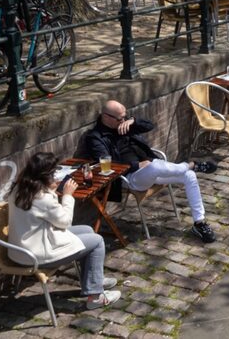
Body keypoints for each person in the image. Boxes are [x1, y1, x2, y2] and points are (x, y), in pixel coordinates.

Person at [82, 101, 219, 243]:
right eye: (119, 118)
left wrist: (132, 121)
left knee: (189, 176)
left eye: (125, 116)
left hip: (150, 170)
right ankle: (191, 164)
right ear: (106, 116)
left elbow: (150, 125)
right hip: (129, 178)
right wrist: (137, 165)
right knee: (155, 166)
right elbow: (108, 164)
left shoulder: (124, 124)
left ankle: (199, 223)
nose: (123, 120)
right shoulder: (95, 137)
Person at [6, 152, 121, 310]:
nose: (56, 176)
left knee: (87, 229)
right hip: (35, 254)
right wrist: (67, 196)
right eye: (53, 173)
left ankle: (94, 280)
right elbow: (65, 222)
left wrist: (51, 190)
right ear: (44, 176)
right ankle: (95, 297)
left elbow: (43, 214)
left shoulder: (21, 188)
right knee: (97, 241)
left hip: (23, 247)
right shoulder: (42, 197)